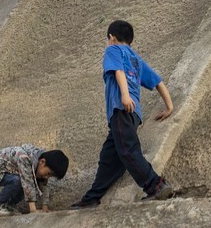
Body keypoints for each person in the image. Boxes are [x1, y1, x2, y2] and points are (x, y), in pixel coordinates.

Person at [70, 20, 176, 209]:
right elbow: (158, 82)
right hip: (132, 114)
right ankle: (92, 197)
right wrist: (169, 107)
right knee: (109, 156)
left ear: (111, 37)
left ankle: (155, 185)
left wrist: (125, 96)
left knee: (128, 150)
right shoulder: (136, 59)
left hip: (122, 109)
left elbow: (118, 71)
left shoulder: (113, 50)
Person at [0, 144, 69, 215]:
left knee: (29, 182)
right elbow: (27, 183)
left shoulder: (40, 162)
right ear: (42, 162)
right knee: (20, 181)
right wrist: (33, 210)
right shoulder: (25, 158)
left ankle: (9, 205)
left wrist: (45, 208)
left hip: (9, 171)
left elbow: (44, 185)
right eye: (48, 174)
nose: (47, 177)